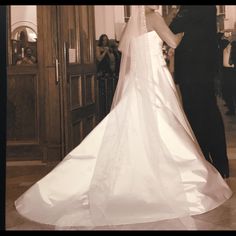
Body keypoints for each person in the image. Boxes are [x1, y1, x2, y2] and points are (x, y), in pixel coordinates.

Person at [15, 6, 232, 229]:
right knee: (160, 125)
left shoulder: (133, 23)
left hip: (137, 82)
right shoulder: (154, 17)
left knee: (131, 123)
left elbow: (124, 48)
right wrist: (178, 35)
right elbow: (173, 42)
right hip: (155, 81)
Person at [169, 5, 230, 178]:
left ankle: (209, 163)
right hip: (199, 68)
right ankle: (215, 163)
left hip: (194, 69)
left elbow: (173, 27)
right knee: (207, 114)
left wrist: (172, 12)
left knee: (199, 116)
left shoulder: (192, 8)